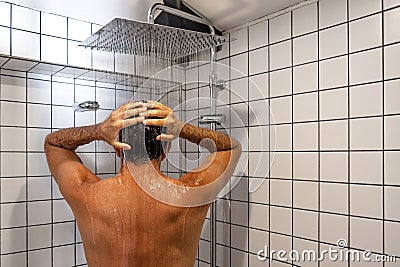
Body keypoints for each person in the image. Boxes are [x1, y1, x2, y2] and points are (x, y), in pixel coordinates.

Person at [44, 100, 241, 267]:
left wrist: (98, 130)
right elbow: (230, 148)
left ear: (118, 149)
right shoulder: (190, 194)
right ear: (166, 148)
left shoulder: (87, 195)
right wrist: (182, 128)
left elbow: (53, 143)